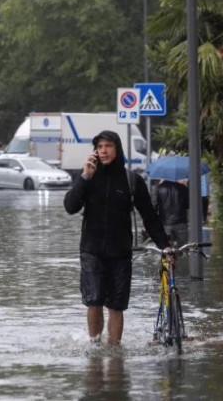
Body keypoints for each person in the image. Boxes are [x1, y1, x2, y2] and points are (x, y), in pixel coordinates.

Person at [63, 130, 170, 345]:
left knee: (117, 305)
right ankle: (94, 347)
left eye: (108, 146)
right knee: (94, 301)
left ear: (117, 148)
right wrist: (84, 177)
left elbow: (149, 217)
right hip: (91, 250)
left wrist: (165, 246)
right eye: (100, 147)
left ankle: (114, 353)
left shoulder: (132, 181)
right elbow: (70, 207)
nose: (103, 151)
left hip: (121, 252)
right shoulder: (88, 177)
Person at [152, 180, 189, 247]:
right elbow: (188, 205)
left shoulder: (157, 188)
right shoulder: (183, 188)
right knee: (183, 248)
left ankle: (170, 257)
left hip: (165, 224)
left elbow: (154, 206)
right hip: (181, 222)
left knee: (167, 250)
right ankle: (181, 257)